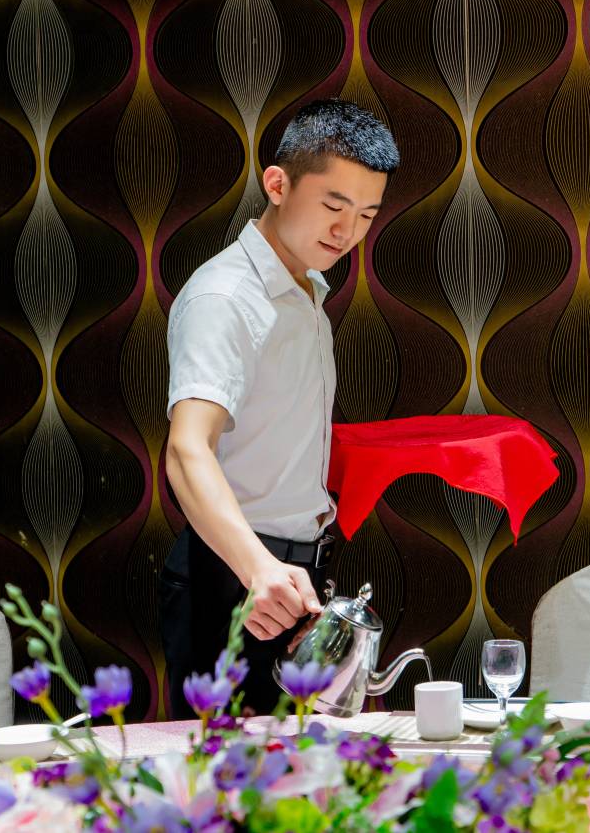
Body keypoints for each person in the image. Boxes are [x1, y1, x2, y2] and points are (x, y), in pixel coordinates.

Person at [160, 98, 399, 716]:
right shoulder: (224, 297)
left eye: (366, 215)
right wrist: (257, 569)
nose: (347, 232)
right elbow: (186, 449)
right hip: (233, 575)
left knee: (306, 767)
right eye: (333, 206)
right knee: (227, 771)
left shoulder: (307, 290)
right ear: (277, 184)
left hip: (294, 575)